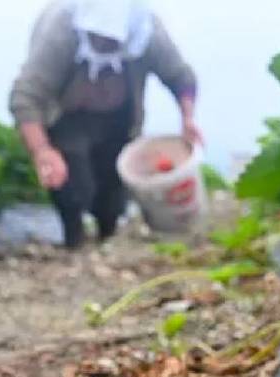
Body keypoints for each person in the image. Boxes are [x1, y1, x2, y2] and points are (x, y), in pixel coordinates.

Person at [10, 0, 201, 249]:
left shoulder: (147, 32)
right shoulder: (61, 30)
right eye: (97, 36)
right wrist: (42, 151)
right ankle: (74, 239)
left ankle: (106, 236)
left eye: (112, 39)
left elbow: (181, 77)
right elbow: (26, 96)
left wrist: (188, 119)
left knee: (113, 185)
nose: (104, 43)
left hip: (119, 118)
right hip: (69, 118)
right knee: (72, 182)